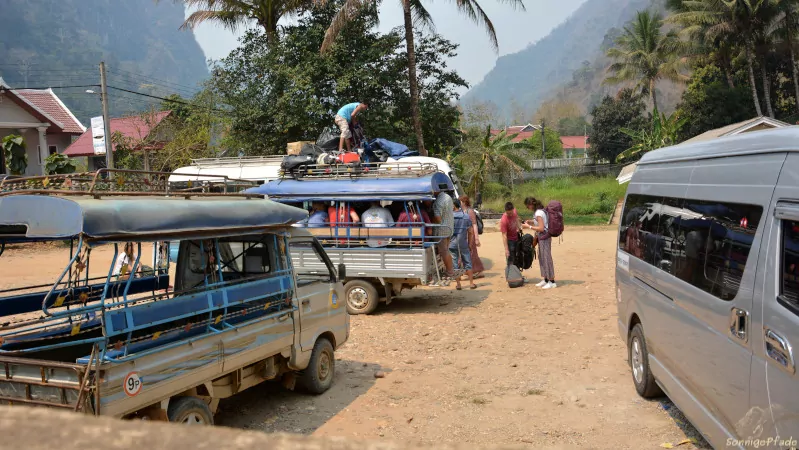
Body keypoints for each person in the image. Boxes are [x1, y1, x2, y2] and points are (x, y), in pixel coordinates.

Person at [524, 197, 556, 289]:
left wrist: (528, 226)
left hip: (544, 237)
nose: (527, 208)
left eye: (527, 206)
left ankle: (552, 281)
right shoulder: (540, 211)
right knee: (542, 257)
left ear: (531, 205)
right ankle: (546, 279)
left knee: (546, 257)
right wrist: (530, 222)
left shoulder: (538, 213)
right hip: (542, 237)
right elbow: (539, 223)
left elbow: (541, 228)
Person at [450, 199, 476, 290]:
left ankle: (458, 284)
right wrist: (470, 244)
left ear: (453, 206)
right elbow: (470, 232)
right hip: (463, 243)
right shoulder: (466, 216)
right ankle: (471, 283)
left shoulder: (449, 218)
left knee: (455, 264)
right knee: (468, 262)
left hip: (452, 244)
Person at [459, 195, 485, 278]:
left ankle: (471, 271)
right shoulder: (461, 211)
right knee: (470, 254)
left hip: (470, 236)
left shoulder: (470, 211)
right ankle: (475, 271)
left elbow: (474, 224)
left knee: (471, 254)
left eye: (460, 201)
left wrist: (476, 238)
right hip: (464, 236)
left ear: (464, 202)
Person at [431, 191, 455, 278]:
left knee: (444, 251)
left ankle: (450, 271)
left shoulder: (438, 201)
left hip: (441, 230)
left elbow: (438, 219)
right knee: (446, 251)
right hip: (449, 228)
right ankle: (449, 269)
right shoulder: (447, 196)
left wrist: (429, 220)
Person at [500, 202, 521, 267]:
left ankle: (517, 274)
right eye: (508, 213)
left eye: (511, 212)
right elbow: (504, 236)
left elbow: (517, 218)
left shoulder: (514, 211)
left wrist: (518, 227)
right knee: (511, 259)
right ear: (505, 211)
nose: (510, 214)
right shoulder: (504, 220)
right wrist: (506, 249)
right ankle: (511, 274)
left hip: (516, 238)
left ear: (513, 209)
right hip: (510, 241)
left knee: (517, 258)